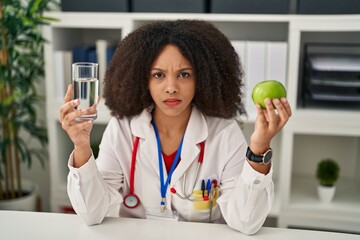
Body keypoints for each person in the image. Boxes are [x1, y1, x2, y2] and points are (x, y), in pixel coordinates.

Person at [59, 20, 292, 235]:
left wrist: (259, 147)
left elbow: (246, 222)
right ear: (143, 79)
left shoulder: (224, 133)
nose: (171, 87)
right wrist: (81, 146)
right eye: (158, 75)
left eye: (184, 74)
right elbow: (92, 213)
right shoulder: (122, 129)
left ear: (202, 78)